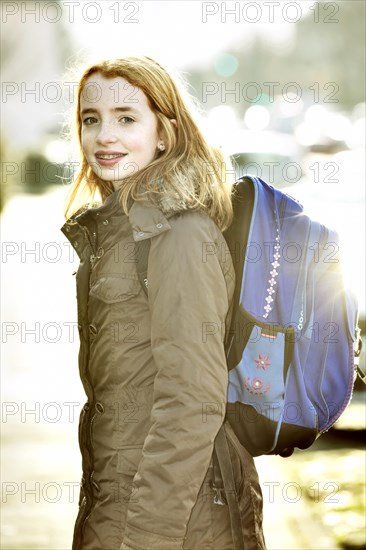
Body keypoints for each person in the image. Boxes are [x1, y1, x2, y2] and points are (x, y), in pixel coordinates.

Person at [61, 56, 266, 550]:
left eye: (126, 119)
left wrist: (148, 537)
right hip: (122, 507)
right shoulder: (123, 230)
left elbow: (192, 401)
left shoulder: (176, 235)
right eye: (92, 119)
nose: (104, 135)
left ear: (164, 134)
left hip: (175, 524)